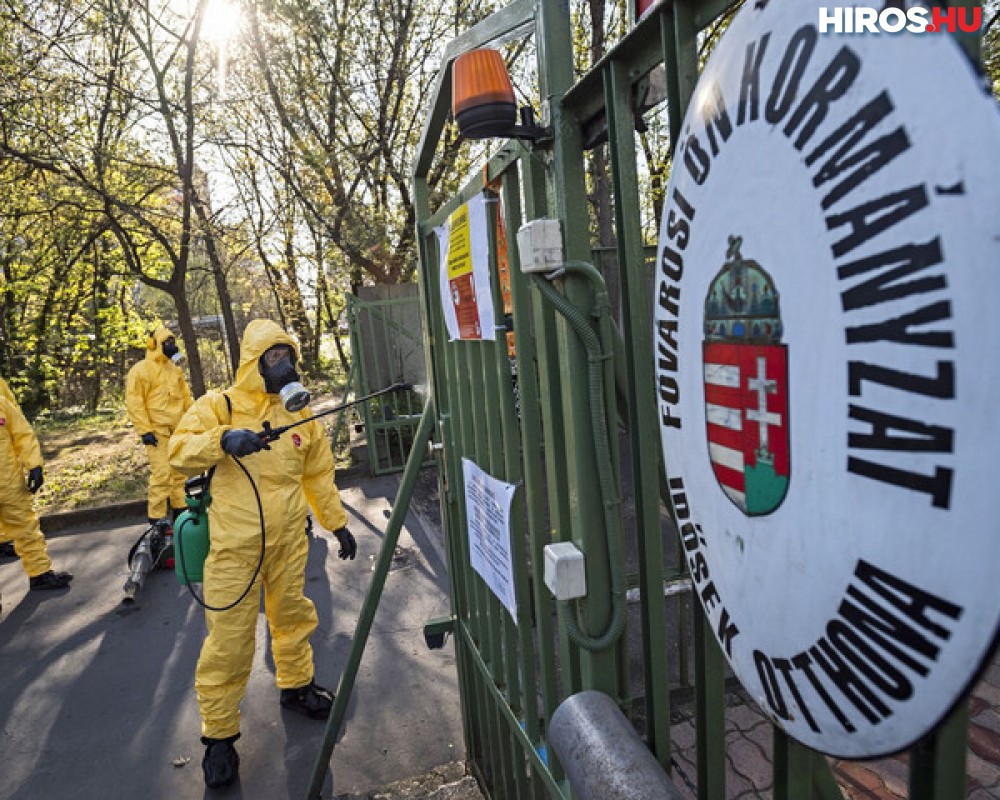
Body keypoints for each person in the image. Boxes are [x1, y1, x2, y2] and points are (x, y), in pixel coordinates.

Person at [168, 319, 357, 789]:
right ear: (253, 362)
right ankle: (219, 737)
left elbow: (318, 474)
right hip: (235, 549)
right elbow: (177, 450)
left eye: (287, 355)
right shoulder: (219, 406)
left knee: (293, 618)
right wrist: (222, 441)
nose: (283, 365)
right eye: (273, 357)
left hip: (290, 541)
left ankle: (296, 687)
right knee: (229, 645)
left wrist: (337, 523)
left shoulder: (299, 414)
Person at [0, 380, 73, 591]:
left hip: (9, 483)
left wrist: (34, 466)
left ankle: (40, 574)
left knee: (26, 528)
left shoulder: (3, 405)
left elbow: (23, 434)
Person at [125, 326, 194, 527]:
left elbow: (185, 397)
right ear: (154, 345)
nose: (171, 346)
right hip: (156, 431)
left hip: (178, 428)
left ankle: (181, 510)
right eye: (167, 342)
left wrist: (193, 420)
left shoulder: (175, 370)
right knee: (162, 473)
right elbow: (135, 401)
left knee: (179, 472)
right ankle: (156, 518)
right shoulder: (141, 370)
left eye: (172, 341)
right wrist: (144, 430)